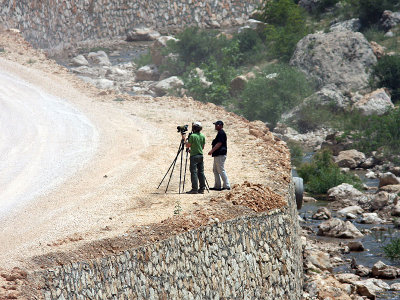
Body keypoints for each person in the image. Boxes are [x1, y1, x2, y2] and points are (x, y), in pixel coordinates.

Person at [183, 122, 206, 194]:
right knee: (201, 172)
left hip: (194, 156)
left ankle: (194, 189)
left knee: (194, 172)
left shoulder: (192, 136)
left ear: (194, 128)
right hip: (200, 155)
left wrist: (184, 139)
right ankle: (202, 188)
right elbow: (202, 147)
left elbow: (187, 145)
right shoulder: (202, 136)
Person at [208, 120, 230, 191]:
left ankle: (226, 185)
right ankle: (217, 186)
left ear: (221, 126)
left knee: (220, 170)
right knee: (215, 170)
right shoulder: (219, 133)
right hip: (217, 154)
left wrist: (212, 151)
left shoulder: (221, 133)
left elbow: (219, 143)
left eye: (217, 125)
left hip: (220, 154)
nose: (215, 126)